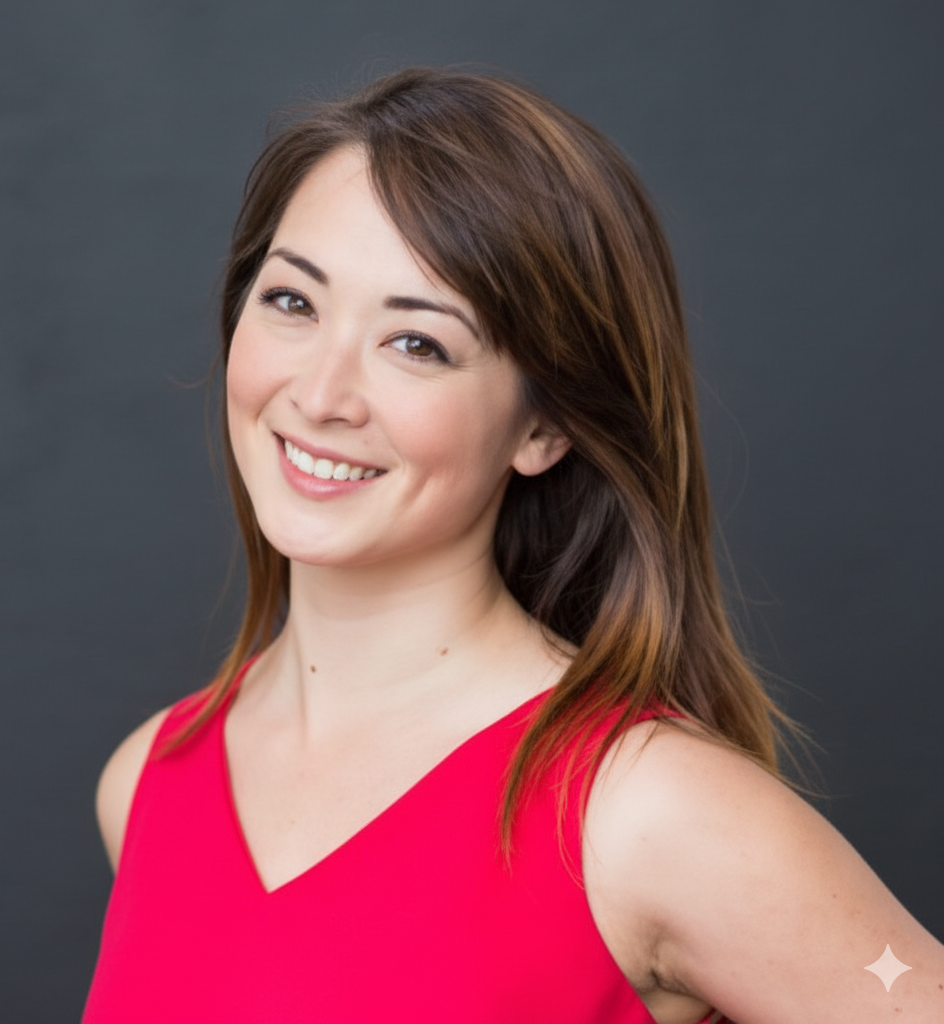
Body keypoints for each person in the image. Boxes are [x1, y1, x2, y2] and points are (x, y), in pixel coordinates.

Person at [83, 68, 943, 1023]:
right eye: (293, 302)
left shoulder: (647, 812)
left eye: (418, 344)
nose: (322, 393)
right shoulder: (149, 780)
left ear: (544, 427)